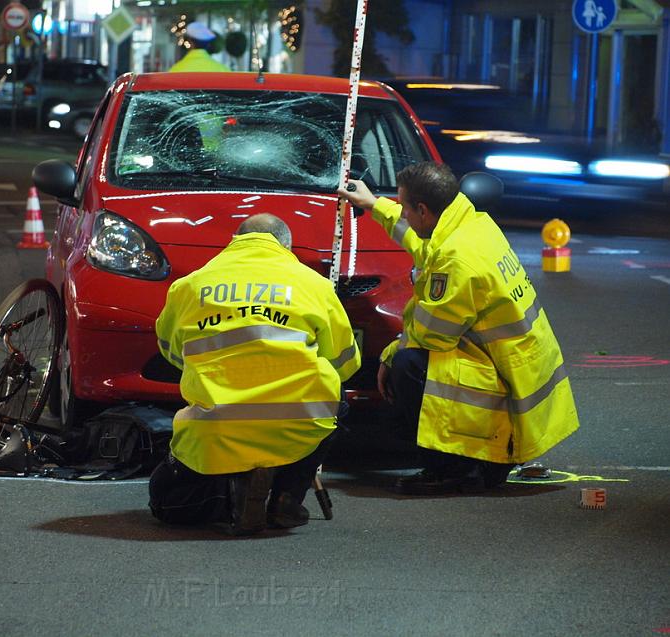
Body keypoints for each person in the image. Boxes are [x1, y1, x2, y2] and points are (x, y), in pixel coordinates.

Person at [338, 162, 580, 495]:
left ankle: (455, 467)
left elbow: (431, 334)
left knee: (408, 365)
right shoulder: (472, 224)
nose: (403, 214)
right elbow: (424, 246)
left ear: (423, 209)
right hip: (516, 366)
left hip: (501, 378)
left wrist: (389, 352)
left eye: (405, 206)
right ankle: (485, 461)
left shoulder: (456, 259)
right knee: (409, 359)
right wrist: (374, 204)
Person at [150, 213, 361, 534]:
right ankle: (286, 497)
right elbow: (345, 362)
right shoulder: (314, 286)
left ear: (235, 241)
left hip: (214, 424)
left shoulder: (189, 286)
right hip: (295, 421)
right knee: (336, 398)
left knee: (164, 503)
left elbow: (171, 351)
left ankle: (233, 491)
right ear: (285, 247)